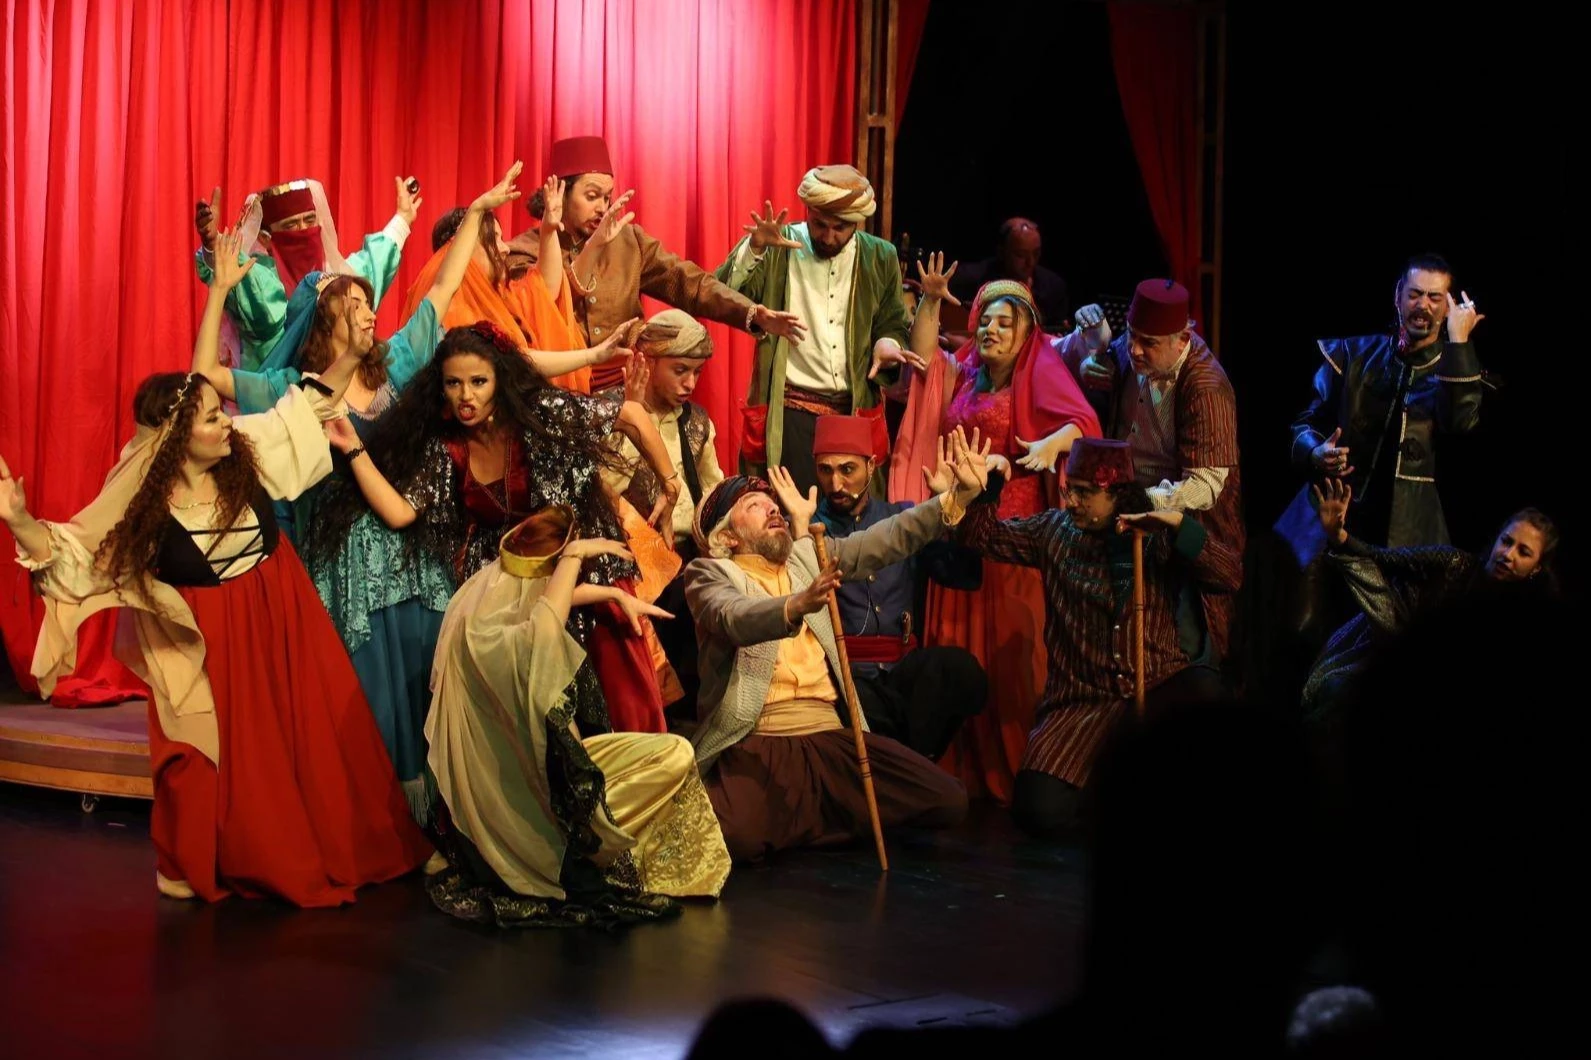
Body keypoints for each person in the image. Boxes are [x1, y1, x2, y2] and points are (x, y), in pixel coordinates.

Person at [0, 252, 430, 905]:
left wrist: (350, 355)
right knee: (205, 754)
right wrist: (20, 520)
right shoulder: (143, 498)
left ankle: (335, 843)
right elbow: (71, 555)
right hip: (208, 641)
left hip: (279, 611)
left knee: (309, 741)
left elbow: (306, 410)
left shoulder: (244, 447)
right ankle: (207, 857)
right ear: (175, 438)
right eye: (207, 417)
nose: (222, 421)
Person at [311, 322, 682, 735]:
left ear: (499, 380)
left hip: (579, 572)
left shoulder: (539, 413)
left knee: (622, 712)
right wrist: (354, 448)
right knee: (539, 730)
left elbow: (631, 416)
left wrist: (670, 484)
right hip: (513, 596)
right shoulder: (446, 447)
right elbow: (400, 512)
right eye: (453, 383)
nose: (465, 396)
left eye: (478, 382)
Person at [422, 506, 730, 929]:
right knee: (673, 759)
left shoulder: (491, 606)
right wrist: (573, 555)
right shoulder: (504, 641)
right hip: (533, 803)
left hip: (555, 768)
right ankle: (604, 848)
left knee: (673, 749)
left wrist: (612, 595)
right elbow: (545, 627)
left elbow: (547, 600)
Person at [683, 436, 987, 862]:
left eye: (772, 503)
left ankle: (808, 819)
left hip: (830, 737)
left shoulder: (808, 555)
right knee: (731, 838)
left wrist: (955, 500)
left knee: (949, 800)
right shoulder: (710, 573)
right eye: (754, 505)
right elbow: (732, 615)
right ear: (728, 536)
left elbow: (886, 539)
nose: (772, 509)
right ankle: (828, 818)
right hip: (760, 741)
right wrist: (794, 606)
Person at [956, 438, 1244, 837]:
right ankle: (1108, 804)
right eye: (1070, 490)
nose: (1072, 501)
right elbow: (981, 539)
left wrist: (1181, 527)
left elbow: (1229, 576)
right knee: (1037, 809)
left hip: (1154, 685)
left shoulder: (1153, 534)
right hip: (1082, 699)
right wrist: (985, 488)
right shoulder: (1053, 532)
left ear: (1117, 494)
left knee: (1205, 690)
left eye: (1085, 493)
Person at [892, 263, 1102, 803]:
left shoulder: (1041, 371)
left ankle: (1020, 768)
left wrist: (1052, 443)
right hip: (959, 525)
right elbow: (923, 361)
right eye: (985, 320)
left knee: (1012, 658)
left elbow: (1084, 425)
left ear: (1027, 332)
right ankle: (957, 765)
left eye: (1005, 323)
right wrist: (931, 301)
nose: (991, 330)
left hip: (1011, 537)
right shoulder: (965, 373)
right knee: (958, 646)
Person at [515, 135, 805, 393]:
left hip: (628, 388)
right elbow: (545, 309)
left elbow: (689, 284)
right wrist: (594, 248)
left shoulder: (628, 241)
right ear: (559, 193)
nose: (602, 207)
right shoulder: (524, 252)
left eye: (607, 197)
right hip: (555, 390)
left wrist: (750, 312)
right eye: (592, 196)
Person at [1056, 278, 1244, 664]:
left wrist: (1144, 501)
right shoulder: (1132, 351)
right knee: (1120, 634)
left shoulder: (1206, 387)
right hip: (1128, 518)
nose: (1135, 350)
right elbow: (1100, 363)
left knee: (1179, 644)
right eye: (1132, 335)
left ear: (1182, 338)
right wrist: (1095, 358)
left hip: (1182, 524)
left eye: (1149, 343)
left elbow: (1207, 484)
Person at [1275, 254, 1485, 565]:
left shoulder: (1456, 373)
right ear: (1398, 295)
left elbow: (1460, 423)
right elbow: (1305, 423)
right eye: (1414, 294)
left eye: (1434, 297)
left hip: (1409, 533)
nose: (1423, 305)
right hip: (1331, 518)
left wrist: (1458, 343)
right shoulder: (1351, 354)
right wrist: (1315, 452)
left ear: (1448, 308)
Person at [717, 165, 915, 495]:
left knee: (850, 514)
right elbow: (722, 294)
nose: (828, 236)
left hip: (852, 411)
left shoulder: (881, 256)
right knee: (786, 510)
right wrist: (755, 248)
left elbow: (892, 321)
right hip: (790, 412)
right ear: (807, 211)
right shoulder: (779, 244)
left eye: (840, 228)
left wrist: (887, 342)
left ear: (857, 223)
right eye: (819, 224)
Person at [1302, 478, 1559, 728]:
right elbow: (1382, 557)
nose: (1508, 554)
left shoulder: (1522, 620)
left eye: (1524, 552)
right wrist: (1339, 535)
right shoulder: (1453, 563)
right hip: (1382, 648)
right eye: (1506, 541)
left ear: (1537, 568)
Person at [811, 413, 987, 760]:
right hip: (848, 679)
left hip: (902, 671)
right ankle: (910, 770)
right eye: (825, 470)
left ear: (871, 465)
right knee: (857, 705)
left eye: (847, 470)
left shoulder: (903, 517)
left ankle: (910, 768)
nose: (835, 483)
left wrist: (955, 507)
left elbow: (965, 576)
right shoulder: (810, 530)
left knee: (961, 671)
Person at [599, 310, 728, 719]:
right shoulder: (608, 412)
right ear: (646, 361)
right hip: (634, 561)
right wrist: (632, 415)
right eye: (680, 370)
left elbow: (714, 492)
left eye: (697, 372)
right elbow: (603, 489)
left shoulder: (697, 422)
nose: (690, 383)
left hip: (691, 556)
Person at [403, 170, 601, 394]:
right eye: (494, 239)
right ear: (463, 245)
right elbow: (514, 361)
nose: (505, 248)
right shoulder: (451, 308)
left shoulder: (500, 294)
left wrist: (548, 230)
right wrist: (592, 355)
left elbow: (543, 291)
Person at [193, 175, 418, 370]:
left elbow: (373, 264)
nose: (303, 231)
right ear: (265, 238)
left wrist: (402, 218)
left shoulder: (336, 276)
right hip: (275, 400)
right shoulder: (262, 283)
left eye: (309, 221)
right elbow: (230, 271)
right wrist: (212, 243)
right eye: (291, 226)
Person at [948, 217, 1070, 328]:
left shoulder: (1053, 286)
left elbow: (1059, 332)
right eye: (1021, 255)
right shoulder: (969, 278)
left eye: (1036, 253)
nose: (1031, 262)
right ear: (1002, 252)